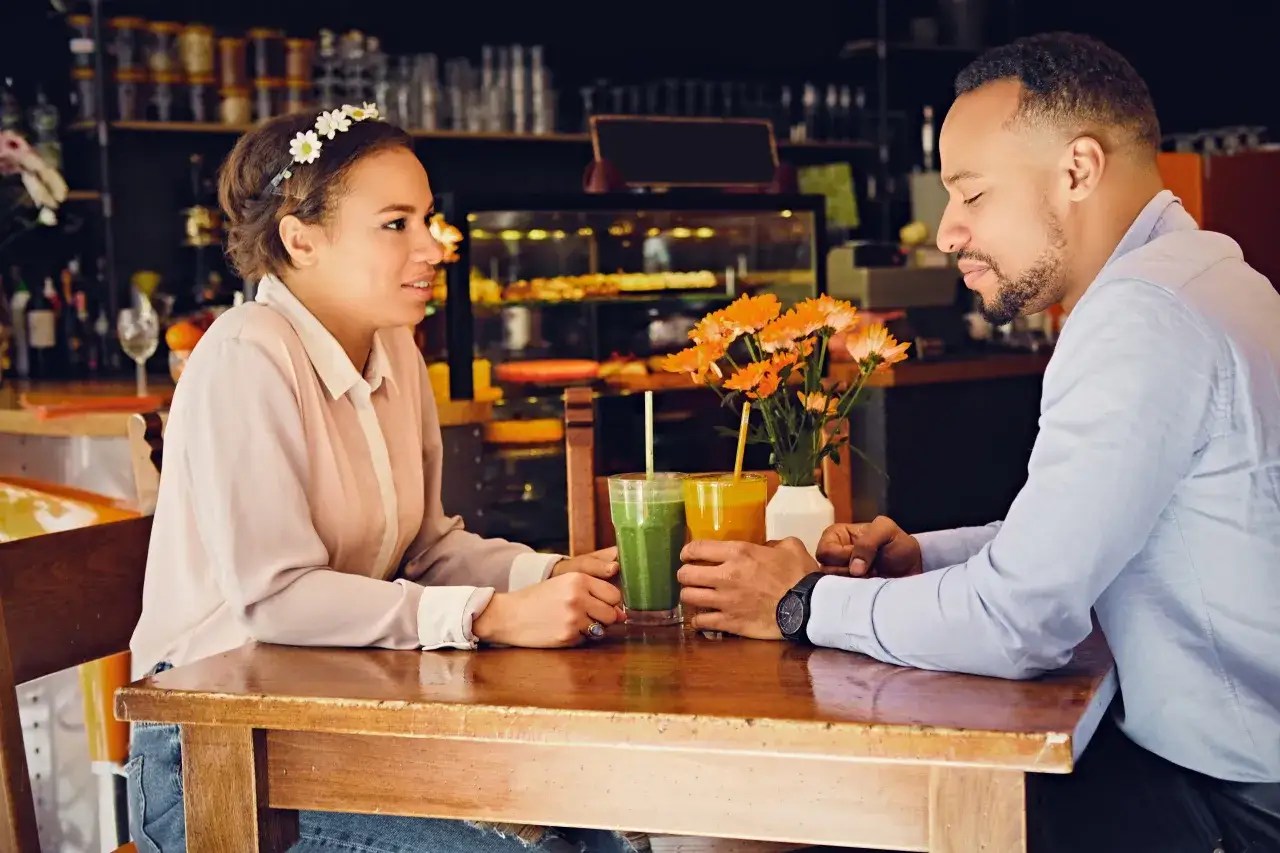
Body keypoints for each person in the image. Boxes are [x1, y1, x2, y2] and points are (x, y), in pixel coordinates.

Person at [676, 32, 1280, 853]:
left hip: (1230, 807)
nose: (945, 231)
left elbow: (1019, 621)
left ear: (1078, 170)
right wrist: (924, 557)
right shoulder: (1207, 274)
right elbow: (1118, 537)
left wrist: (799, 602)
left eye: (971, 194)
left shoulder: (1142, 317)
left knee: (750, 823)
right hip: (1218, 772)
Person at [126, 105, 642, 853]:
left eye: (428, 219)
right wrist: (491, 616)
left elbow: (427, 547)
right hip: (211, 760)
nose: (434, 247)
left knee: (608, 825)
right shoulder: (246, 355)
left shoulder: (396, 347)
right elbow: (277, 598)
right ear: (299, 239)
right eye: (396, 223)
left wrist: (550, 572)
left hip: (333, 718)